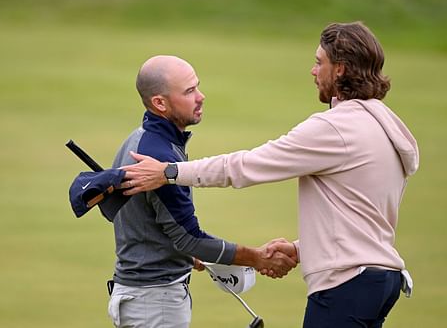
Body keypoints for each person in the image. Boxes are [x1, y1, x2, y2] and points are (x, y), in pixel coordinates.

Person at [120, 22, 419, 328]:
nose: (313, 72)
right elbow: (362, 215)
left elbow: (245, 166)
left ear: (340, 70)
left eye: (319, 63)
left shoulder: (335, 128)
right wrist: (301, 249)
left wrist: (169, 172)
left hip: (346, 286)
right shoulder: (384, 127)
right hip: (382, 281)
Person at [107, 55, 297, 328]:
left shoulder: (139, 138)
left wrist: (180, 252)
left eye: (197, 87)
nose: (201, 96)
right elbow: (190, 239)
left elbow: (150, 222)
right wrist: (256, 257)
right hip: (155, 304)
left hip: (142, 297)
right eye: (189, 91)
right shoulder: (158, 156)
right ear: (160, 103)